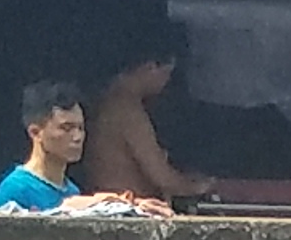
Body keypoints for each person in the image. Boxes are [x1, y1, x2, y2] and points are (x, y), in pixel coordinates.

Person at [81, 42, 211, 205]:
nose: (167, 81)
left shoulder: (103, 101)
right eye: (167, 73)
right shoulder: (126, 109)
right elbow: (162, 177)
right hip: (126, 207)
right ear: (151, 67)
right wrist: (201, 186)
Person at [0, 80, 92, 210]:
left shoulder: (72, 191)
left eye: (80, 128)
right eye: (66, 128)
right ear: (35, 132)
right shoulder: (16, 190)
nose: (77, 137)